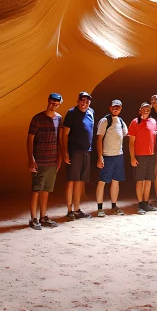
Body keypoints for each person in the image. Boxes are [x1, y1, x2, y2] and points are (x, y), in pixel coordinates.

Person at [27, 93, 63, 230]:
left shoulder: (58, 119)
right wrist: (31, 158)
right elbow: (30, 139)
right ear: (48, 101)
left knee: (46, 190)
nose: (54, 105)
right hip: (39, 159)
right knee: (36, 189)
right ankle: (33, 218)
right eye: (52, 102)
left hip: (52, 160)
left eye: (56, 103)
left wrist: (59, 157)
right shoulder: (37, 119)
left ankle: (43, 216)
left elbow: (58, 139)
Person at [60, 91, 94, 221]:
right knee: (71, 180)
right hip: (74, 151)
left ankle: (77, 209)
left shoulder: (91, 112)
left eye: (87, 101)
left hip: (86, 151)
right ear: (78, 100)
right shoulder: (72, 113)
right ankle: (69, 210)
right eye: (82, 100)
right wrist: (65, 152)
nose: (84, 103)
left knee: (80, 181)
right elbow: (65, 135)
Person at [95, 99, 128, 217]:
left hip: (118, 156)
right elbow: (99, 139)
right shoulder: (105, 121)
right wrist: (100, 157)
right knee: (102, 181)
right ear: (110, 108)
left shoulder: (121, 121)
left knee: (116, 181)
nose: (116, 109)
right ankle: (100, 208)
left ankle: (114, 206)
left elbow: (125, 134)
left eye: (118, 107)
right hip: (107, 156)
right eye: (114, 107)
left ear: (121, 108)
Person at [129, 102, 157, 215]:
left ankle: (146, 203)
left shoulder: (153, 122)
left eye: (148, 109)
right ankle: (140, 204)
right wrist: (132, 157)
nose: (146, 110)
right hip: (140, 156)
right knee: (140, 181)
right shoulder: (135, 122)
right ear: (140, 110)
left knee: (148, 180)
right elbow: (131, 142)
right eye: (144, 108)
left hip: (151, 155)